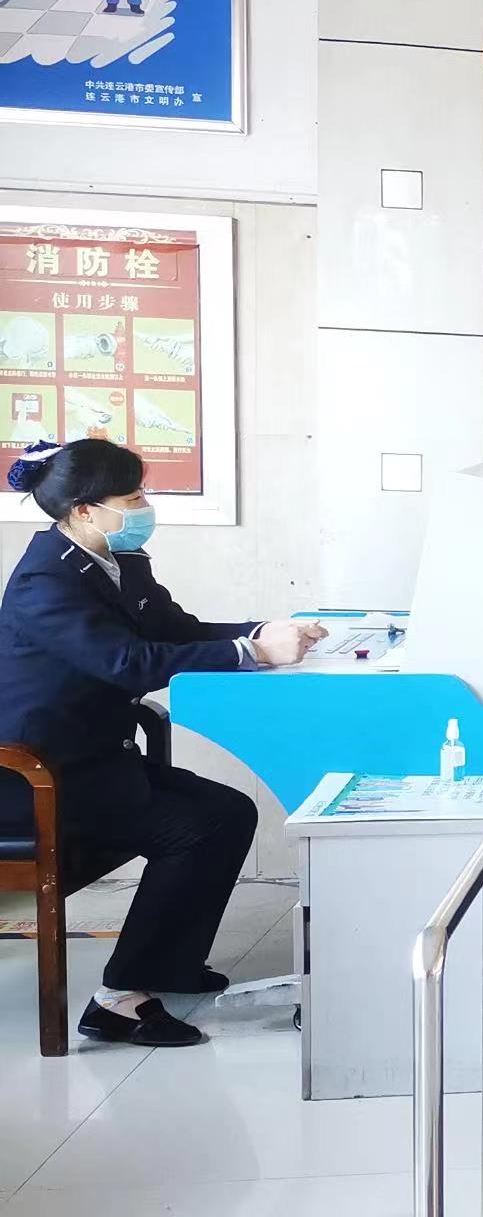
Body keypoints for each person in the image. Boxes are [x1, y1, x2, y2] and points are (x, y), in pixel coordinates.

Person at [0, 439, 325, 1047]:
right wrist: (251, 652)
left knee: (230, 810)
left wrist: (263, 632)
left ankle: (167, 966)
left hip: (98, 760)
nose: (145, 507)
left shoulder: (118, 560)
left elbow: (176, 632)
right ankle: (119, 1002)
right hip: (38, 778)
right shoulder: (44, 581)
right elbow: (129, 662)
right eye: (133, 498)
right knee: (195, 827)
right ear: (84, 510)